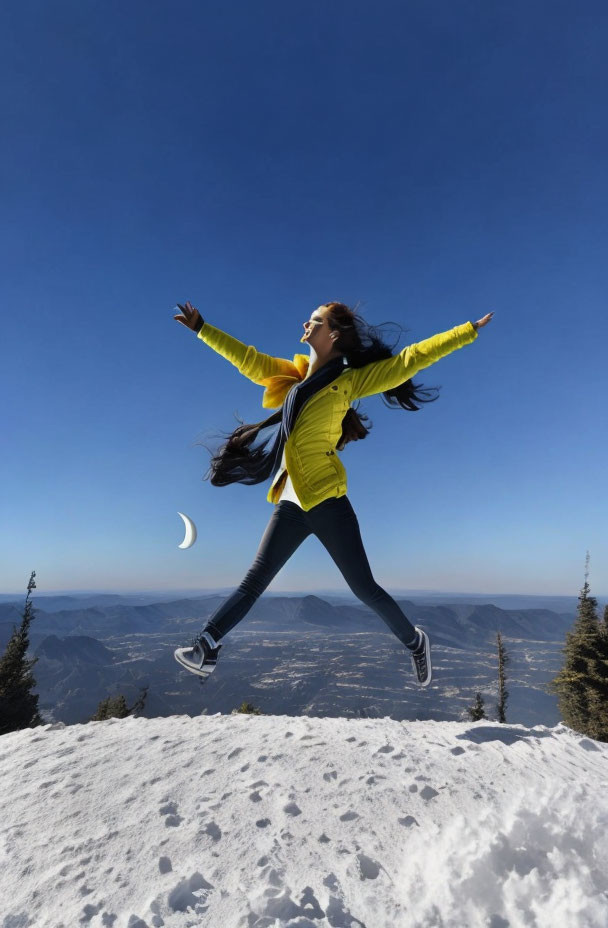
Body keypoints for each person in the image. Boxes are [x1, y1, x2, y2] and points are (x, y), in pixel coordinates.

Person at [173, 300, 494, 687]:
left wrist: (466, 331)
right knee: (253, 581)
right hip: (291, 501)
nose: (305, 324)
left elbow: (410, 360)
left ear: (333, 334)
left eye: (314, 321)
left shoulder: (350, 381)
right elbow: (248, 359)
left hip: (327, 499)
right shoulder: (292, 376)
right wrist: (203, 328)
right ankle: (206, 647)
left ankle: (414, 641)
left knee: (364, 589)